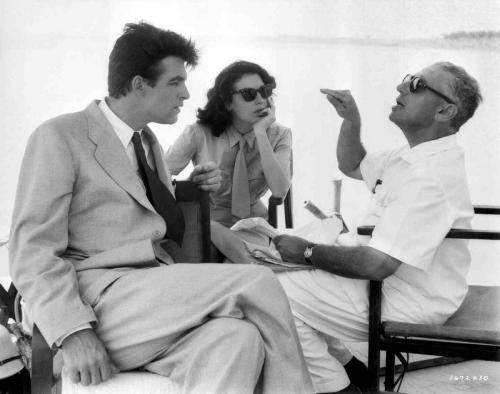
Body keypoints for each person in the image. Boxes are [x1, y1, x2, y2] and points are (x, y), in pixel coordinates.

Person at [9, 22, 313, 394]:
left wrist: (185, 188)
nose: (186, 93)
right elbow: (31, 251)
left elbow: (134, 206)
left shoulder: (148, 145)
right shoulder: (60, 136)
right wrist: (73, 332)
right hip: (99, 300)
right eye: (175, 82)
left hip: (150, 301)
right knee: (258, 282)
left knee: (236, 339)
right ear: (139, 85)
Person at [273, 62, 482, 393]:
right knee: (280, 275)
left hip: (409, 299)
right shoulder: (414, 156)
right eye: (406, 80)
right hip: (401, 283)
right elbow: (352, 164)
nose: (401, 88)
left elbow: (377, 264)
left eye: (416, 85)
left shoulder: (428, 176)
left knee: (270, 293)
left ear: (444, 110)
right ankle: (352, 369)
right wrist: (351, 120)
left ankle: (340, 388)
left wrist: (308, 252)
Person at [166, 60, 292, 228]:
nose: (261, 100)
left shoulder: (280, 135)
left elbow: (280, 191)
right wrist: (191, 184)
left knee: (250, 250)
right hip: (206, 222)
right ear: (227, 102)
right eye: (249, 94)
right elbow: (159, 175)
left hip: (252, 223)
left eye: (264, 91)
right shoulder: (199, 132)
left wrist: (261, 133)